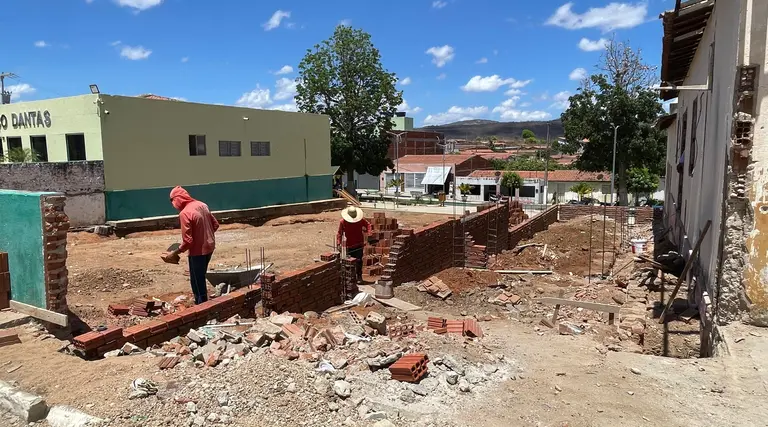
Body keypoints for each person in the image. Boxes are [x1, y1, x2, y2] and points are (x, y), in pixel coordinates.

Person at [161, 186, 219, 304]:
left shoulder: (185, 213)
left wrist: (174, 252)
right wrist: (204, 235)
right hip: (210, 247)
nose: (173, 205)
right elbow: (215, 225)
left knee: (197, 282)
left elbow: (188, 242)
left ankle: (202, 307)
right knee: (201, 276)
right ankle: (202, 304)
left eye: (172, 201)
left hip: (197, 252)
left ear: (178, 199)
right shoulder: (203, 205)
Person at [336, 206, 371, 283]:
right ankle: (350, 279)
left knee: (358, 261)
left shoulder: (360, 221)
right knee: (349, 263)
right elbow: (339, 233)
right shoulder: (343, 222)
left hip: (359, 244)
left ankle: (359, 277)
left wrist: (369, 234)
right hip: (349, 246)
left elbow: (368, 225)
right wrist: (338, 243)